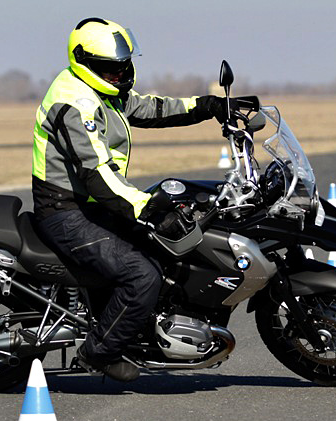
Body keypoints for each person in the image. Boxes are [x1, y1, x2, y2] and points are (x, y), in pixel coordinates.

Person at [32, 17, 230, 382]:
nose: (121, 73)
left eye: (124, 65)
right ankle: (99, 352)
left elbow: (150, 108)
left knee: (165, 248)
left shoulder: (104, 91)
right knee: (141, 275)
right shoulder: (73, 103)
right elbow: (96, 173)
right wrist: (146, 207)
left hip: (92, 204)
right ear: (85, 62)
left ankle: (139, 327)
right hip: (65, 211)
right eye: (112, 68)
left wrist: (208, 107)